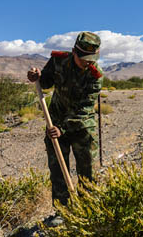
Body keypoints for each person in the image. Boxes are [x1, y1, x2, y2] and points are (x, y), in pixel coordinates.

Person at [27, 31, 103, 213]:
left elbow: (84, 109)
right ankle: (63, 213)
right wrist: (36, 76)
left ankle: (89, 212)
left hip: (82, 127)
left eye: (91, 58)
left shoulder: (95, 75)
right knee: (58, 171)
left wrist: (63, 128)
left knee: (88, 172)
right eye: (84, 58)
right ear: (73, 52)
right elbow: (45, 82)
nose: (88, 62)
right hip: (56, 121)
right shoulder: (58, 61)